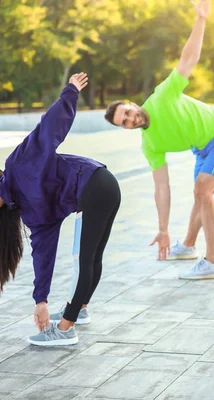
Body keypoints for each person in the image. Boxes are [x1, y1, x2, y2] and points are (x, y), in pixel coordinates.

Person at [104, 0, 214, 280]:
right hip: (203, 148)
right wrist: (163, 229)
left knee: (203, 191)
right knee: (199, 194)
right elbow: (162, 188)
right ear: (126, 128)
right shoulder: (150, 144)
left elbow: (188, 59)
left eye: (128, 113)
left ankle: (213, 262)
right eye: (126, 122)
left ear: (132, 104)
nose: (132, 119)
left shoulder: (162, 96)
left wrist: (201, 19)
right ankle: (188, 246)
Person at [0, 73, 121, 346]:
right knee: (92, 257)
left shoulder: (16, 165)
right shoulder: (29, 214)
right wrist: (40, 301)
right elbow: (43, 254)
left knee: (86, 260)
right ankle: (79, 309)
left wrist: (71, 92)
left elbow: (47, 131)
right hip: (101, 187)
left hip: (95, 184)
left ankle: (66, 329)